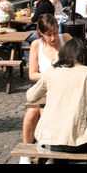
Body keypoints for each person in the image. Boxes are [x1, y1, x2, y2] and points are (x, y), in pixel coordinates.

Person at [25, 37, 87, 158]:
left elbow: (31, 96)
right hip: (81, 141)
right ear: (84, 54)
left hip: (48, 140)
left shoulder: (51, 71)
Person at [19, 14, 72, 164]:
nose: (53, 38)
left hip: (66, 88)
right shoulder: (37, 45)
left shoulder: (66, 38)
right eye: (49, 35)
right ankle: (26, 151)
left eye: (55, 32)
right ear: (41, 33)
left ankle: (49, 147)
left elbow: (77, 62)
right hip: (45, 87)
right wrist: (51, 77)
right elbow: (32, 74)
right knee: (32, 112)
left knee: (45, 111)